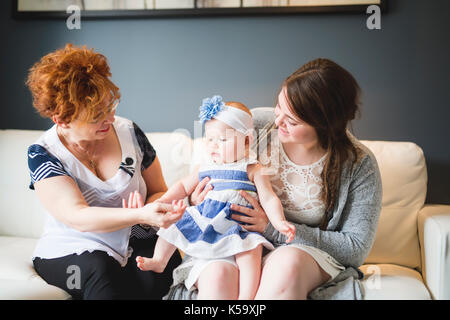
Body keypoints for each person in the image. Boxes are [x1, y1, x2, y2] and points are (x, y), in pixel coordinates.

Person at [165, 58, 383, 300]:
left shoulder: (358, 164)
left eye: (292, 120)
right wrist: (197, 199)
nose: (278, 121)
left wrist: (272, 229)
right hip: (233, 241)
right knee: (217, 277)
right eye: (279, 107)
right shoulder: (255, 126)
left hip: (301, 252)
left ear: (325, 126)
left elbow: (355, 248)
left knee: (287, 264)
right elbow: (209, 167)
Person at [26, 44, 186, 300]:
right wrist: (136, 213)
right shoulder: (43, 153)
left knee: (158, 275)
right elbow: (78, 216)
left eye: (110, 106)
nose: (110, 119)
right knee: (100, 271)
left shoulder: (130, 132)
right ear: (61, 119)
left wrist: (154, 213)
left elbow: (158, 191)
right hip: (73, 247)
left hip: (134, 239)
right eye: (96, 115)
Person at [125, 96, 295, 300]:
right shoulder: (205, 166)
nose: (214, 146)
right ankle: (160, 259)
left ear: (247, 140)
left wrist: (279, 222)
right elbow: (182, 186)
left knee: (252, 250)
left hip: (239, 226)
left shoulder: (252, 168)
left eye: (223, 140)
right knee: (174, 224)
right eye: (210, 139)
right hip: (207, 220)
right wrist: (161, 202)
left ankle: (247, 298)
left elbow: (269, 198)